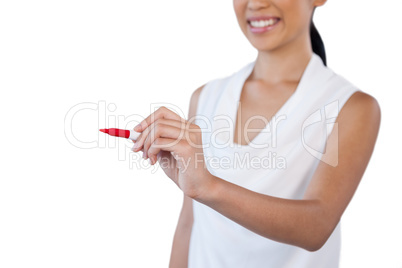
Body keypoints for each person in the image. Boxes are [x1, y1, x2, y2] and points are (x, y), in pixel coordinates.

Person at [131, 0, 381, 267]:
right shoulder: (205, 98)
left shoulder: (350, 106)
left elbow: (317, 225)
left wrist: (209, 187)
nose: (257, 3)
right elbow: (189, 224)